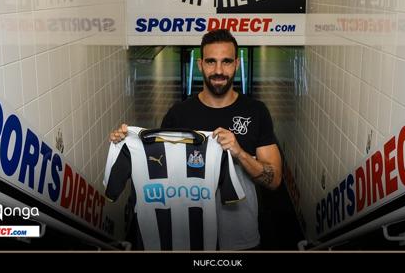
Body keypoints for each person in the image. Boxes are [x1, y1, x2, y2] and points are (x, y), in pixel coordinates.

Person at [109, 29, 283, 250]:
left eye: (226, 62)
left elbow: (274, 179)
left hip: (239, 235)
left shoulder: (256, 112)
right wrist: (125, 144)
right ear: (200, 64)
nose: (218, 70)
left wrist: (239, 153)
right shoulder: (178, 114)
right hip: (190, 235)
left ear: (237, 64)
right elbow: (160, 168)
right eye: (211, 62)